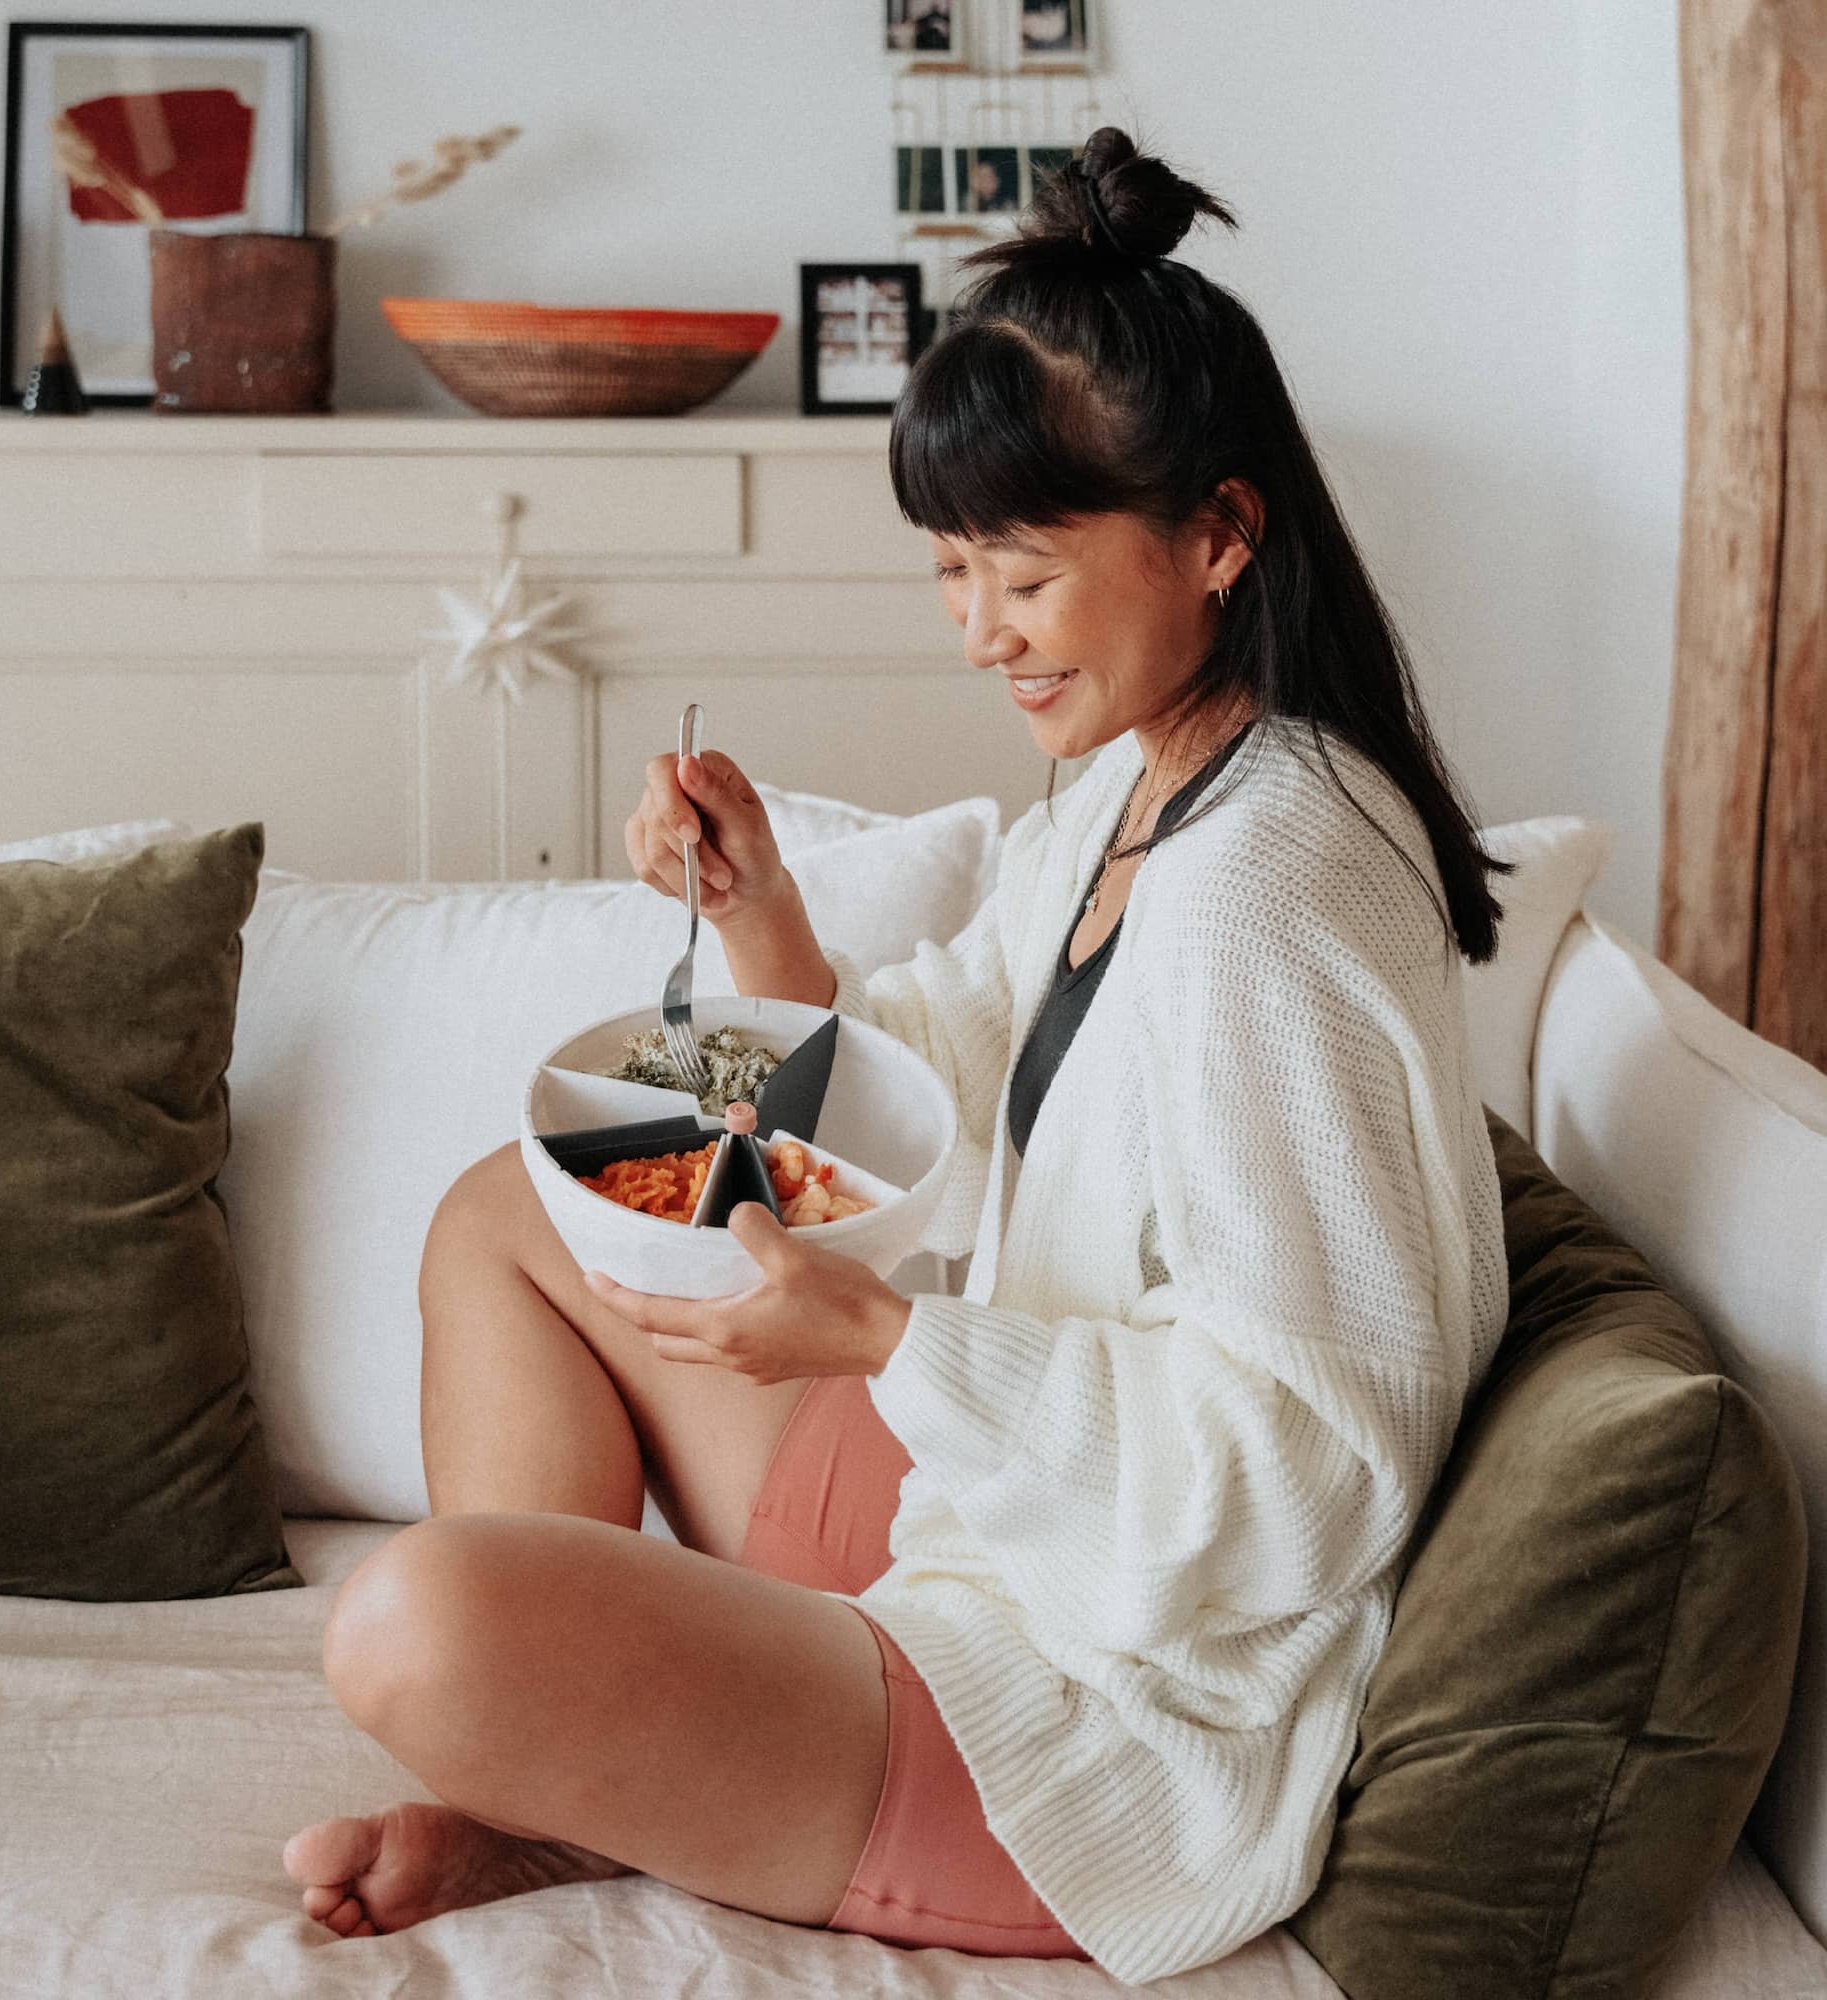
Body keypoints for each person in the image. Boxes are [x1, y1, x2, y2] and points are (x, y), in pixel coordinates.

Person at [280, 123, 1513, 1985]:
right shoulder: (1138, 783)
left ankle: (553, 1752)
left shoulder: (1279, 881)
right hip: (989, 1504)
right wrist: (763, 906)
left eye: (1022, 571)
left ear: (1219, 535)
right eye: (951, 573)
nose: (980, 638)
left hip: (1112, 1694)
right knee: (508, 1216)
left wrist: (885, 1339)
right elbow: (929, 1070)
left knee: (415, 1634)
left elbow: (1317, 1462)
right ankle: (569, 1769)